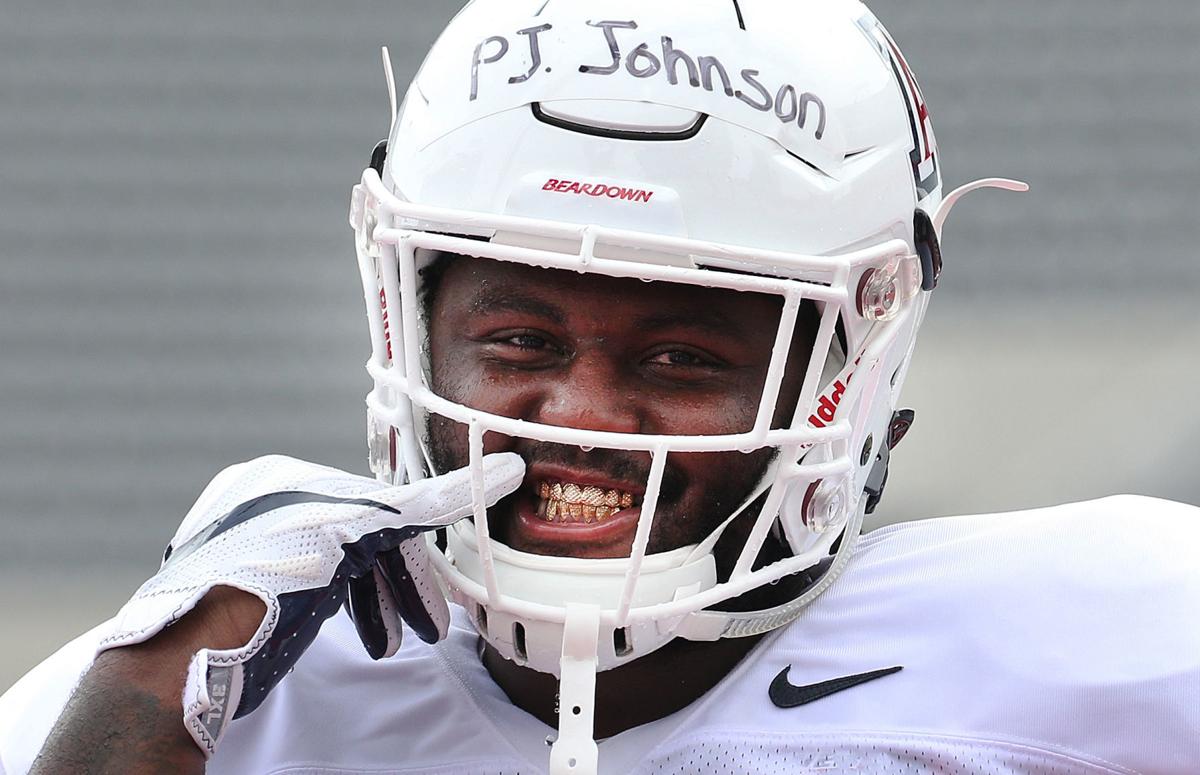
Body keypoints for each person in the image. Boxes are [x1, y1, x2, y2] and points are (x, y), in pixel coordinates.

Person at [2, 0, 1198, 773]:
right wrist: (145, 696)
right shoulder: (195, 700)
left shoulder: (1110, 633)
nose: (579, 414)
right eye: (521, 340)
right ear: (411, 331)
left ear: (850, 371)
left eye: (682, 358)